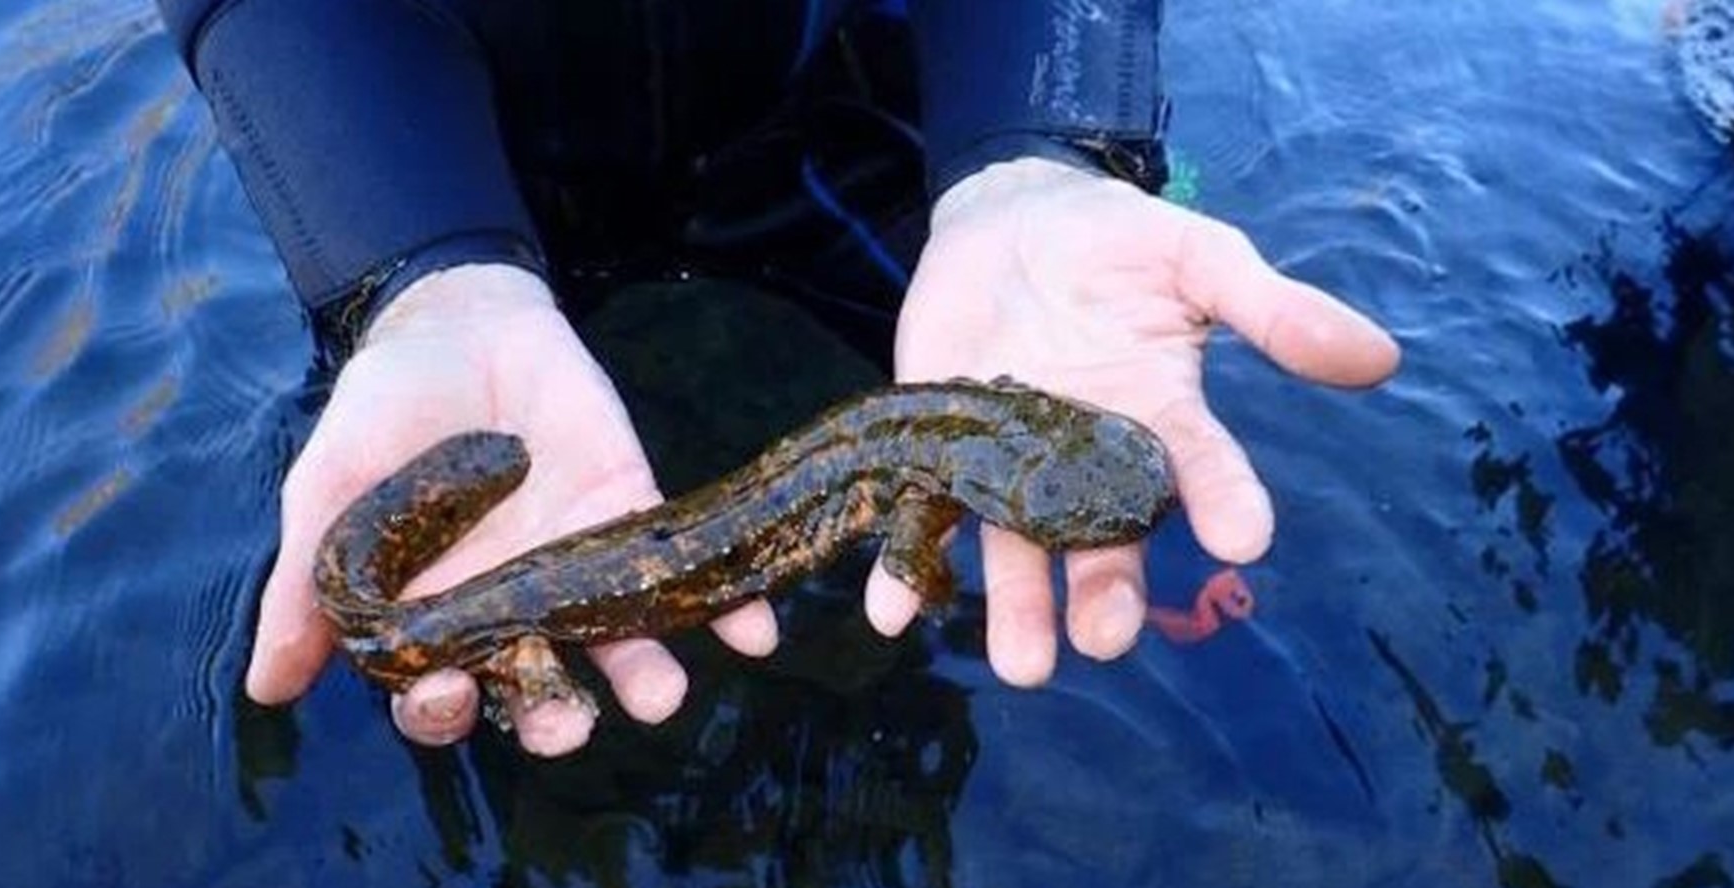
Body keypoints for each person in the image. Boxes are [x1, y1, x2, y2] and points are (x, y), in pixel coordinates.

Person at [156, 0, 1400, 757]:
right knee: (486, 633)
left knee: (516, 595)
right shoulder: (940, 454)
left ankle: (1198, 616)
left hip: (836, 97)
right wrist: (410, 271)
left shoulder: (939, 440)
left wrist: (1043, 146)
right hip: (457, 129)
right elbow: (915, 534)